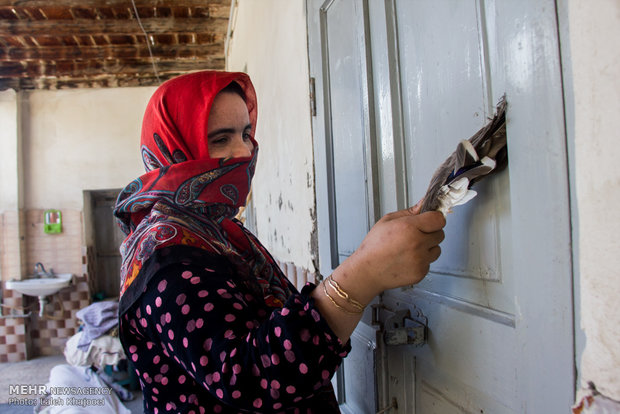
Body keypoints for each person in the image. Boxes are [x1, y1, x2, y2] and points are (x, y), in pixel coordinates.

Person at [114, 71, 445, 413]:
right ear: (175, 149)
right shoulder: (166, 257)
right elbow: (249, 376)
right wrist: (363, 275)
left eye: (245, 133)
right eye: (220, 139)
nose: (244, 151)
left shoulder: (220, 232)